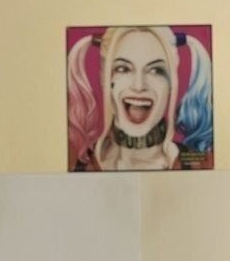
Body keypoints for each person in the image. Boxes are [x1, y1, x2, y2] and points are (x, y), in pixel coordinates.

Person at [67, 26, 213, 171]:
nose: (139, 86)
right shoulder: (77, 164)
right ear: (104, 79)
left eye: (155, 70)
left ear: (172, 83)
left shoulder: (200, 164)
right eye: (123, 69)